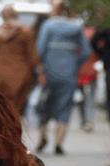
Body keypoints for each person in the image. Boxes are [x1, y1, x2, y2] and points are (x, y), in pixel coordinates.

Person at [35, 2, 90, 155]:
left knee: (44, 103)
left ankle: (42, 137)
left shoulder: (48, 25)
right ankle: (59, 143)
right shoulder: (76, 28)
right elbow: (86, 51)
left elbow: (39, 49)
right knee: (65, 105)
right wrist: (74, 62)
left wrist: (41, 68)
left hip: (49, 71)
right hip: (69, 72)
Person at [0, 4, 41, 115]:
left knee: (1, 108)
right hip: (21, 74)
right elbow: (32, 55)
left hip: (0, 75)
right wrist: (40, 70)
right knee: (16, 110)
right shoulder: (25, 31)